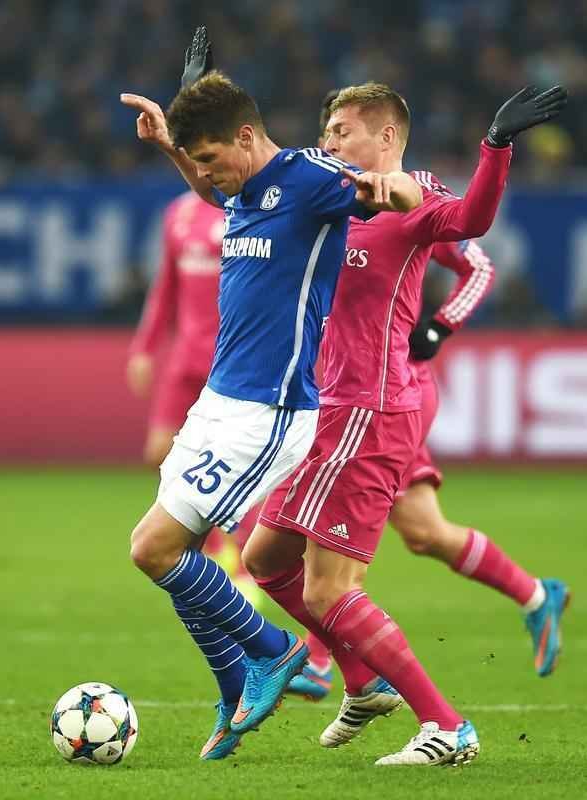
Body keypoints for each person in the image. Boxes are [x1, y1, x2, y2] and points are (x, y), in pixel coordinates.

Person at [242, 81, 567, 766]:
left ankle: (447, 726)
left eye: (343, 130)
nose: (328, 141)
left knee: (333, 586)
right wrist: (197, 115)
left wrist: (496, 147)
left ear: (386, 137)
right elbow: (247, 169)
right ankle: (362, 679)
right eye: (325, 130)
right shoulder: (324, 199)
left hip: (370, 411)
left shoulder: (410, 200)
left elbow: (472, 225)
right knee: (265, 562)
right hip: (318, 409)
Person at [120, 28, 423, 761]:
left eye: (211, 159)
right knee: (171, 552)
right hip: (220, 401)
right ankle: (234, 691)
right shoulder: (248, 186)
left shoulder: (314, 177)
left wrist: (394, 187)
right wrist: (173, 142)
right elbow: (214, 180)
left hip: (270, 409)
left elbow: (411, 195)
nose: (207, 178)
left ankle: (272, 651)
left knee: (155, 549)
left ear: (247, 136)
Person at [126, 191, 262, 605]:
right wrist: (144, 347)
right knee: (159, 454)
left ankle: (245, 564)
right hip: (186, 360)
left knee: (231, 467)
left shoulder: (252, 208)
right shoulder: (178, 213)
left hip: (232, 362)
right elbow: (165, 288)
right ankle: (216, 546)